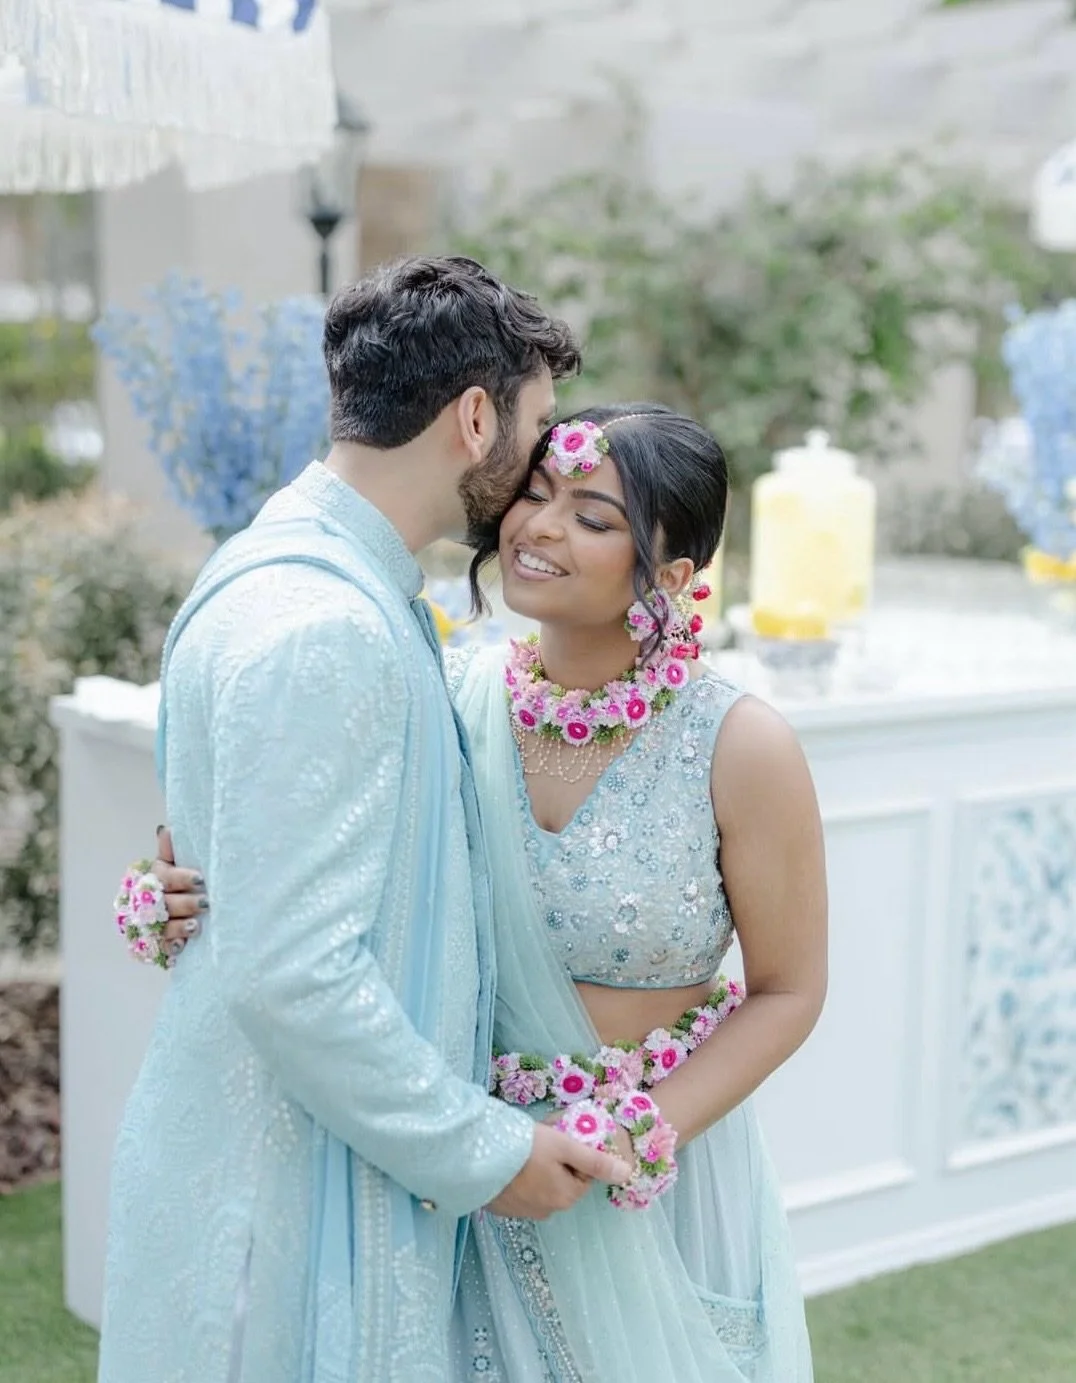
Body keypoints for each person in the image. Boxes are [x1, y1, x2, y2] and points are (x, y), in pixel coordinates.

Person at [146, 403, 827, 1380]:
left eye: (592, 518)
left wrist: (634, 1133)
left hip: (649, 1175)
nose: (538, 528)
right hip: (469, 1161)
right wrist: (182, 886)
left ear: (670, 577)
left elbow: (789, 990)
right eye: (533, 495)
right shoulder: (445, 699)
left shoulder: (740, 745)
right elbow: (312, 862)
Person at [97, 258, 635, 1383]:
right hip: (276, 1203)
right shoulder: (324, 625)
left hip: (290, 1161)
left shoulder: (287, 568)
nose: (542, 463)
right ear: (473, 416)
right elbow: (291, 970)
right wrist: (487, 1155)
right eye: (537, 428)